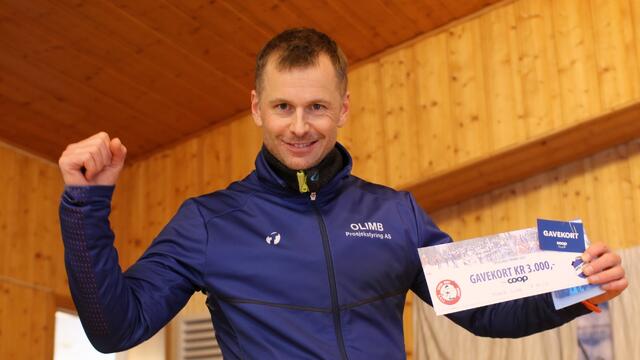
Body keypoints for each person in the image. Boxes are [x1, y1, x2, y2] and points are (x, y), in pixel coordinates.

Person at [58, 28, 627, 359]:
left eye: (317, 107)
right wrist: (86, 206)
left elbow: (480, 309)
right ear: (257, 107)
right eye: (283, 106)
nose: (299, 126)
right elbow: (115, 329)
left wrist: (575, 288)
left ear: (343, 109)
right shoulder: (209, 222)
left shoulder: (395, 213)